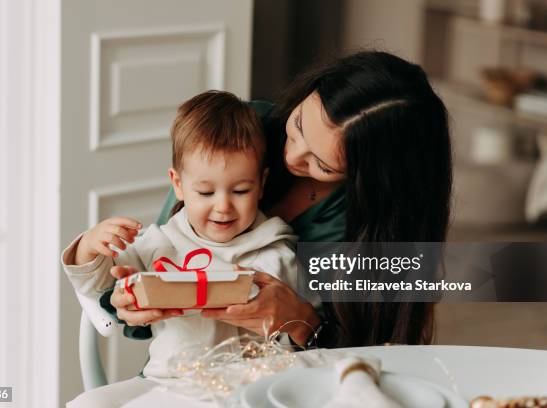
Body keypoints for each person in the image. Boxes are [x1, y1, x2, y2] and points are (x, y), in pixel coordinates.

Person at [108, 51, 452, 350]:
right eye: (299, 124)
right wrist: (130, 306)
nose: (292, 155)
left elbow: (369, 355)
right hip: (186, 371)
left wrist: (303, 323)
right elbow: (151, 269)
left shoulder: (369, 228)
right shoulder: (242, 131)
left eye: (323, 163)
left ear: (373, 178)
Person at [62, 91, 300, 407]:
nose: (223, 206)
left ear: (262, 184)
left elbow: (301, 338)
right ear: (178, 185)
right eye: (205, 191)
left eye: (241, 190)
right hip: (166, 381)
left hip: (243, 388)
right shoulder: (161, 242)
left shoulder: (273, 252)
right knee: (86, 404)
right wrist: (91, 247)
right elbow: (100, 285)